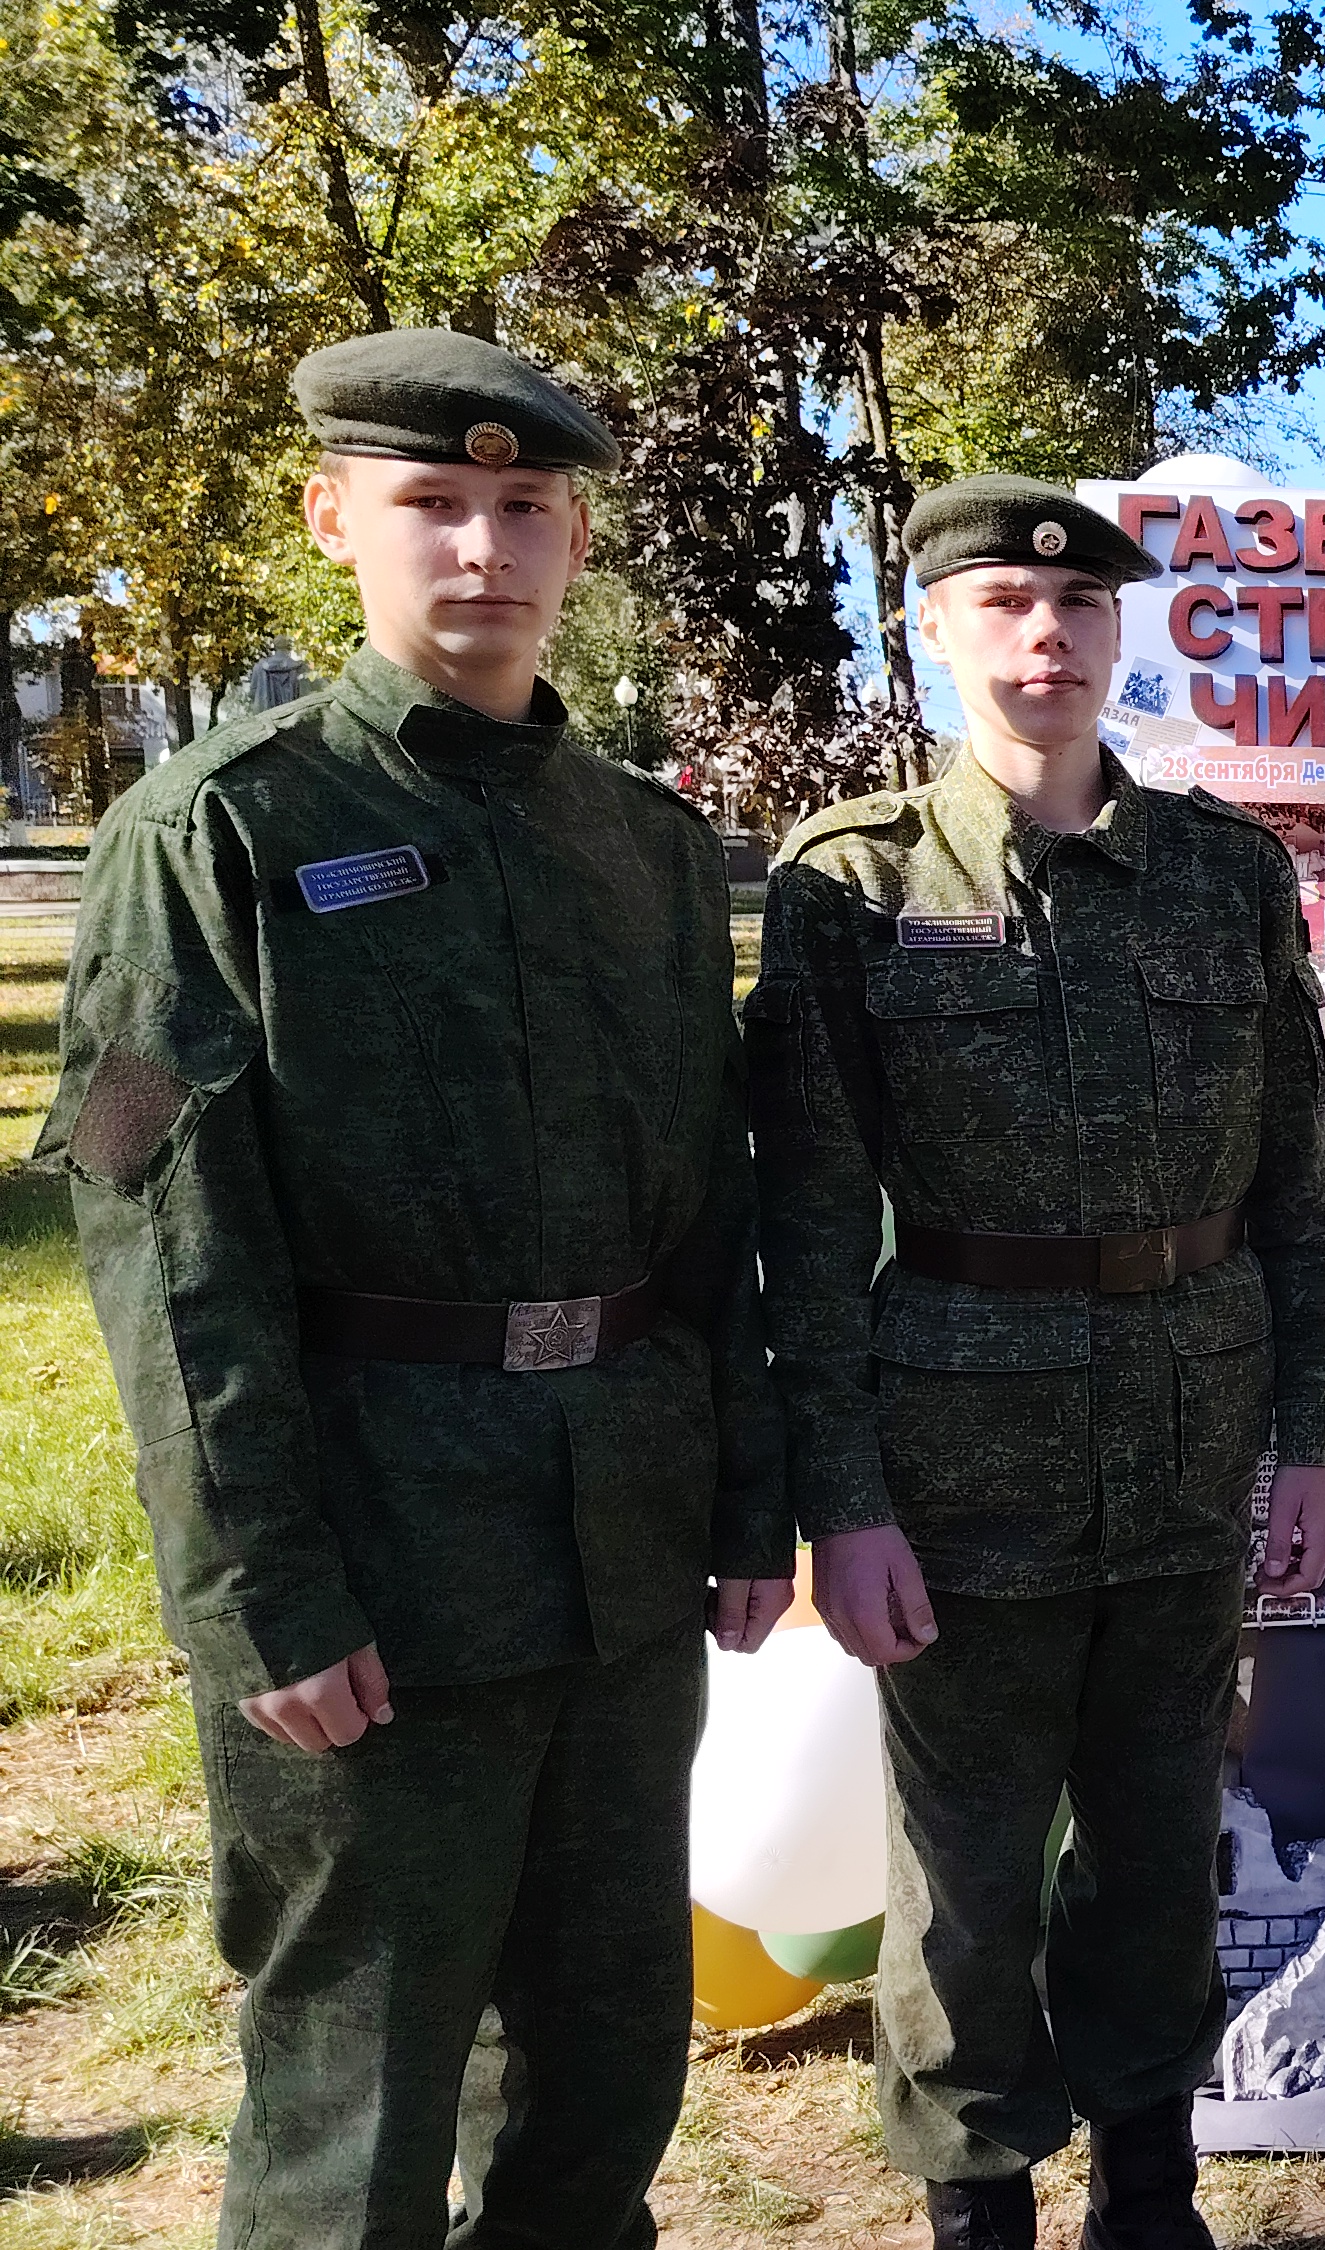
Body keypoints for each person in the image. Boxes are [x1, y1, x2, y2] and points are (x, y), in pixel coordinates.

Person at [39, 328, 792, 2249]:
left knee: (608, 2057)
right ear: (333, 519)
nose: (482, 546)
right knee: (359, 2085)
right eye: (433, 502)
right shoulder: (221, 829)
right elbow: (171, 1246)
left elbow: (709, 1208)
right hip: (380, 1555)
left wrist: (746, 1500)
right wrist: (260, 1597)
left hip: (623, 1540)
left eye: (524, 506)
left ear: (577, 540)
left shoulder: (648, 847)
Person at [746, 475, 1325, 2250]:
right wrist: (841, 1501)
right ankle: (979, 2206)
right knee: (962, 1881)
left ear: (1117, 631)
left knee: (1160, 1850)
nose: (1046, 635)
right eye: (1005, 606)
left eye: (1080, 605)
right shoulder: (855, 883)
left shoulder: (1223, 874)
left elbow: (1301, 1188)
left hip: (1189, 1445)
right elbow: (806, 1223)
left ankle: (1149, 2200)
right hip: (960, 1470)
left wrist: (1313, 1441)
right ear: (935, 630)